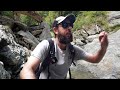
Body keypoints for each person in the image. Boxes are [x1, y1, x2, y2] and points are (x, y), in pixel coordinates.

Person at [20, 14, 108, 79]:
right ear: (55, 30)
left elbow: (95, 59)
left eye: (71, 25)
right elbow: (27, 69)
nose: (69, 28)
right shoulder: (47, 45)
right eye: (65, 25)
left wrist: (103, 47)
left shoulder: (73, 50)